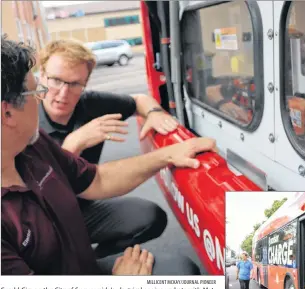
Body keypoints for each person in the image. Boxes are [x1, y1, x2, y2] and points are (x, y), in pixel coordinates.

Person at [1, 36, 216, 275]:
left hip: (74, 248)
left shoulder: (33, 144)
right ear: (7, 113)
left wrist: (168, 155)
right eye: (36, 91)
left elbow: (97, 179)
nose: (57, 94)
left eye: (74, 84)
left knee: (181, 271)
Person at [36, 39, 180, 259]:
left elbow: (139, 100)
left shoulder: (90, 104)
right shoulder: (23, 119)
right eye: (56, 80)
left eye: (75, 84)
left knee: (150, 216)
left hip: (81, 209)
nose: (63, 93)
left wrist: (154, 113)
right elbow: (36, 191)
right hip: (41, 219)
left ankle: (97, 262)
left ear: (85, 83)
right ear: (42, 75)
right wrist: (74, 144)